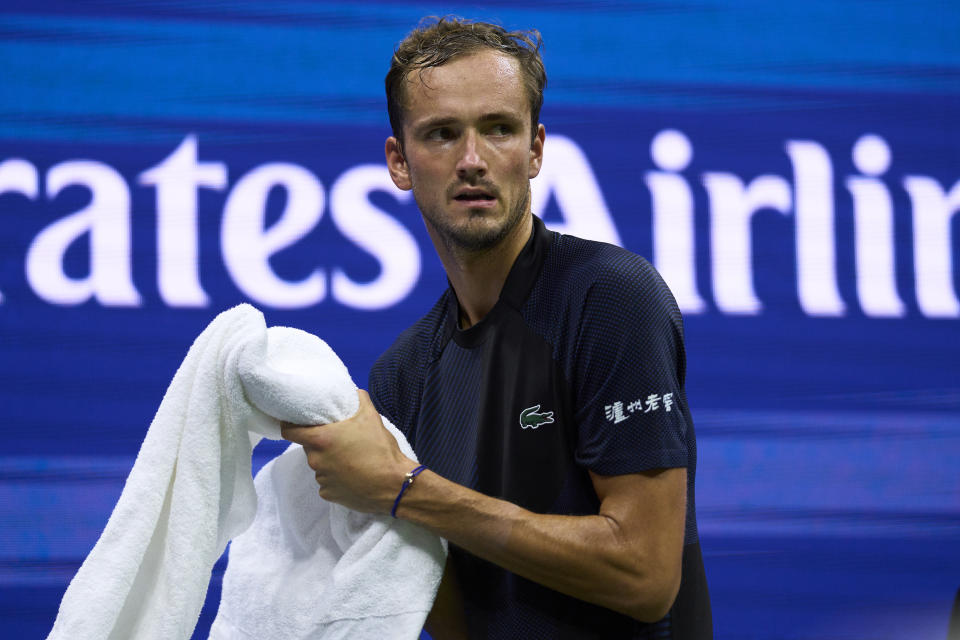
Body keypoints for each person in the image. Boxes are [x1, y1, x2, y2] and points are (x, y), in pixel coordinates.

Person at [281, 16, 712, 639]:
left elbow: (644, 577)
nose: (473, 160)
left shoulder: (610, 299)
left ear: (535, 150)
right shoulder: (402, 375)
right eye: (442, 134)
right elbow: (460, 620)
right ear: (399, 162)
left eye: (499, 129)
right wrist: (359, 517)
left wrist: (403, 490)